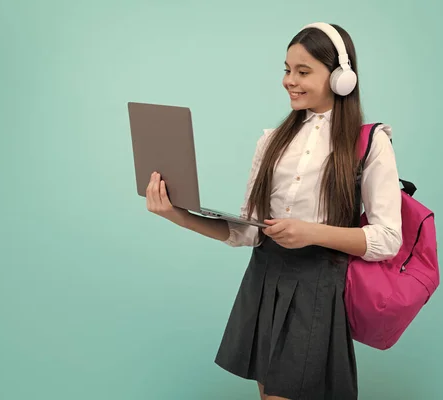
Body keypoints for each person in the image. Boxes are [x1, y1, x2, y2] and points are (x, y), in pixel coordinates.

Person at [145, 22, 402, 400]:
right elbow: (248, 232)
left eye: (303, 71)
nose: (289, 81)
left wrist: (311, 232)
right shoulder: (271, 141)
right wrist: (177, 214)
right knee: (269, 395)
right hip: (265, 276)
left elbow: (387, 239)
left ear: (341, 78)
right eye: (286, 69)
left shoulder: (370, 142)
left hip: (316, 283)